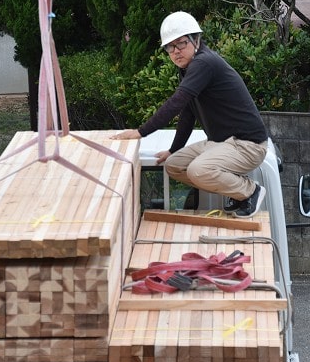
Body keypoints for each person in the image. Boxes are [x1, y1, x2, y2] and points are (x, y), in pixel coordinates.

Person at [111, 11, 269, 218]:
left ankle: (249, 191)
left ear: (196, 40)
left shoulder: (204, 63)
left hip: (247, 145)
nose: (175, 51)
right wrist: (174, 149)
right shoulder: (188, 69)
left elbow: (176, 103)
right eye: (170, 47)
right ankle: (237, 192)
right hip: (221, 142)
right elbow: (187, 113)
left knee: (197, 170)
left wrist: (141, 132)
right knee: (174, 165)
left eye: (181, 44)